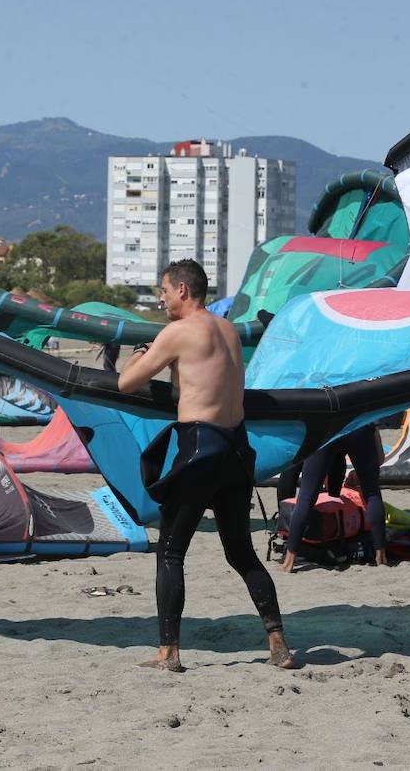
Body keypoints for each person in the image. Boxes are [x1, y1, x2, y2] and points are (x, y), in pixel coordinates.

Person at [118, 259, 291, 672]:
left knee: (171, 553)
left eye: (163, 290)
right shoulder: (228, 330)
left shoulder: (177, 332)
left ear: (182, 290)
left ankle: (168, 653)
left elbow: (127, 382)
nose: (160, 299)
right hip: (237, 450)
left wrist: (140, 353)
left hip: (200, 448)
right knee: (242, 554)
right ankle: (279, 644)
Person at [277, 425, 388, 572]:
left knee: (306, 497)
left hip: (327, 427)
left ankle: (289, 561)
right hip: (359, 427)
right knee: (372, 493)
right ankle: (381, 555)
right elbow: (380, 458)